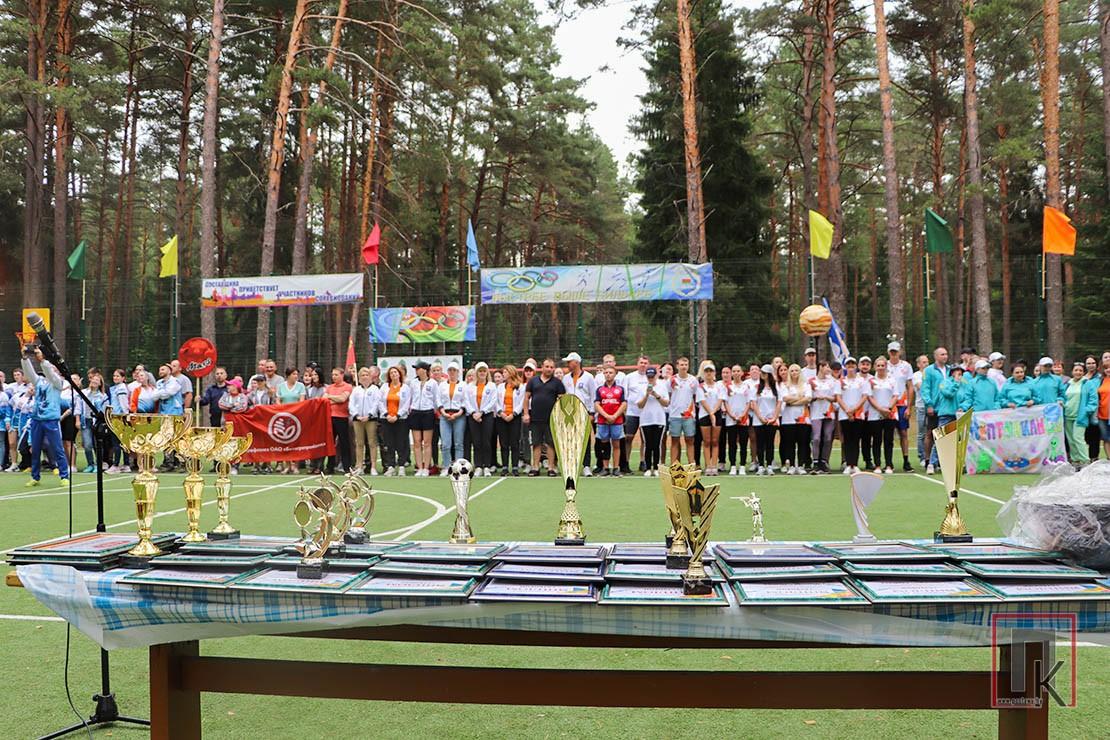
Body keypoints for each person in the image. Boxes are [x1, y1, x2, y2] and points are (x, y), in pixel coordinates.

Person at [20, 344, 69, 487]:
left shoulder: (58, 383)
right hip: (37, 419)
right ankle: (35, 477)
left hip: (51, 420)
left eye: (53, 369)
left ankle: (64, 476)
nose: (50, 370)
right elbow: (29, 373)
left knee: (58, 449)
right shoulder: (39, 382)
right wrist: (25, 358)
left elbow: (50, 373)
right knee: (35, 450)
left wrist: (43, 360)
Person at [523, 357, 564, 477]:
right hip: (535, 418)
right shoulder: (533, 381)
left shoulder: (557, 383)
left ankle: (551, 468)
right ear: (542, 367)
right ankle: (535, 467)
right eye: (547, 366)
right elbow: (526, 398)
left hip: (552, 419)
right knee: (536, 443)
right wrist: (526, 414)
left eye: (551, 367)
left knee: (551, 443)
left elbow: (562, 401)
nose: (549, 369)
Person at [562, 352, 597, 477]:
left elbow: (593, 396)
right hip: (570, 413)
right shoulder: (566, 378)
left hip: (585, 412)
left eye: (569, 362)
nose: (567, 364)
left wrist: (591, 413)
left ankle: (586, 465)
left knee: (585, 440)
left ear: (576, 362)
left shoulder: (588, 377)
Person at [886, 341, 915, 472]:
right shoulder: (884, 365)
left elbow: (910, 387)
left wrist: (909, 407)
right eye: (892, 351)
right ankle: (889, 462)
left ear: (900, 352)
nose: (894, 354)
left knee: (903, 433)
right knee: (888, 434)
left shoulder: (906, 366)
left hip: (902, 404)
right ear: (888, 352)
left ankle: (906, 461)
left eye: (896, 352)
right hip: (888, 405)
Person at [594, 365, 628, 476]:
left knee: (616, 444)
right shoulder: (600, 389)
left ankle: (616, 468)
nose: (608, 374)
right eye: (606, 372)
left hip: (617, 421)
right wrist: (606, 416)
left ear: (615, 374)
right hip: (603, 421)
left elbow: (624, 404)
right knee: (604, 444)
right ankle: (605, 468)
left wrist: (614, 416)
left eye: (610, 372)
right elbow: (597, 404)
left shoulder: (620, 389)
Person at [920, 347, 950, 475]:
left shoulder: (950, 370)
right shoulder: (929, 370)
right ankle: (928, 460)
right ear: (936, 356)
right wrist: (929, 404)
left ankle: (941, 461)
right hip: (935, 407)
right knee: (930, 434)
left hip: (947, 407)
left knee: (944, 435)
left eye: (946, 354)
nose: (945, 356)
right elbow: (925, 388)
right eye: (942, 354)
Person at [778, 363, 811, 474]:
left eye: (796, 370)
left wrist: (793, 402)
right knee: (789, 442)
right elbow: (785, 398)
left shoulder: (806, 385)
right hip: (788, 418)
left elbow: (808, 398)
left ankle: (801, 466)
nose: (794, 372)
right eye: (792, 371)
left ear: (800, 372)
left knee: (802, 442)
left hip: (803, 418)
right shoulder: (785, 385)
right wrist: (800, 398)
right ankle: (792, 465)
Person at [867, 357, 898, 474]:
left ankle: (889, 465)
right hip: (875, 414)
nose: (880, 368)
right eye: (878, 365)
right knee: (876, 440)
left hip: (889, 414)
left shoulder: (892, 380)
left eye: (882, 365)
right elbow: (869, 397)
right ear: (875, 367)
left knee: (888, 440)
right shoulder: (871, 381)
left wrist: (888, 409)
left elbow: (895, 395)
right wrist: (880, 409)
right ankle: (877, 465)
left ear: (886, 367)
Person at [466, 362, 498, 476]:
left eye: (484, 371)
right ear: (476, 373)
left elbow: (493, 401)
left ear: (487, 372)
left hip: (487, 415)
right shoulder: (470, 386)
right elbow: (467, 401)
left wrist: (482, 412)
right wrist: (474, 413)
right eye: (480, 371)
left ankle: (487, 466)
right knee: (477, 442)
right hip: (473, 416)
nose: (482, 373)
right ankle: (478, 466)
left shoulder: (491, 386)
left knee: (486, 441)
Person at [380, 366, 412, 476]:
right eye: (391, 373)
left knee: (401, 443)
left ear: (399, 374)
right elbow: (380, 402)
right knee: (389, 443)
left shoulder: (405, 388)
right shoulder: (384, 387)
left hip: (401, 419)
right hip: (386, 419)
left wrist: (397, 415)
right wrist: (386, 414)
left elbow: (407, 403)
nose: (394, 374)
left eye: (395, 372)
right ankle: (391, 466)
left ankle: (401, 466)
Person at [636, 366, 668, 477]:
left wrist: (655, 395)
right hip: (646, 420)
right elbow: (640, 405)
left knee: (657, 444)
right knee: (648, 444)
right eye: (649, 377)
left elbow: (666, 403)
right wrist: (646, 394)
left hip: (659, 419)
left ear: (656, 376)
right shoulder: (641, 387)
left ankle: (657, 467)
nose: (650, 379)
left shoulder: (662, 386)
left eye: (652, 377)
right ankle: (648, 468)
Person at [407, 361, 438, 477]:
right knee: (417, 442)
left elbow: (436, 399)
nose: (416, 370)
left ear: (425, 370)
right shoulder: (413, 383)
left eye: (418, 368)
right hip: (415, 412)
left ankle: (426, 467)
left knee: (427, 442)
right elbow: (410, 398)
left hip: (428, 412)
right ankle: (419, 467)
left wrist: (433, 410)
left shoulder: (433, 383)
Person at [749, 364, 780, 475]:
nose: (762, 374)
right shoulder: (756, 387)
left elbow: (779, 403)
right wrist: (760, 417)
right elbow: (754, 403)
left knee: (770, 443)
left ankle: (770, 465)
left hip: (772, 420)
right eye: (762, 372)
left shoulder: (776, 387)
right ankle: (761, 465)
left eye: (764, 373)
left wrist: (774, 417)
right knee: (760, 443)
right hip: (759, 420)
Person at [349, 367, 381, 476]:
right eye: (362, 375)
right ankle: (359, 466)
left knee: (372, 443)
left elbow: (376, 403)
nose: (365, 377)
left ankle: (373, 467)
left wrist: (369, 415)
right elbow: (351, 404)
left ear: (370, 377)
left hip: (371, 419)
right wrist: (356, 415)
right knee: (359, 443)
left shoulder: (375, 389)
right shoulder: (356, 390)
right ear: (359, 377)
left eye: (367, 375)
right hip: (357, 419)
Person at [495, 365, 525, 476]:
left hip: (514, 418)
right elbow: (496, 401)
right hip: (502, 417)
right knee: (504, 443)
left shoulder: (520, 387)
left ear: (511, 373)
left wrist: (513, 414)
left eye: (505, 372)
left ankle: (515, 467)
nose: (503, 374)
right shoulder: (500, 387)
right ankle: (505, 467)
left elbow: (521, 402)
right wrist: (501, 413)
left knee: (514, 443)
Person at [668, 357, 699, 464]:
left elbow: (695, 396)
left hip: (688, 415)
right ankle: (674, 466)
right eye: (681, 365)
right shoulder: (672, 380)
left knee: (690, 440)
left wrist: (691, 410)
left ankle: (691, 465)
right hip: (675, 415)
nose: (684, 367)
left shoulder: (693, 380)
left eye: (686, 365)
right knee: (675, 441)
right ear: (677, 366)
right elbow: (668, 395)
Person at [437, 362, 467, 473]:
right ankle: (446, 467)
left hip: (459, 416)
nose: (452, 372)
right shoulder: (442, 385)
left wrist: (459, 413)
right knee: (445, 444)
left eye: (454, 370)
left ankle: (458, 468)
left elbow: (465, 400)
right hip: (444, 416)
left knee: (458, 444)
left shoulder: (463, 385)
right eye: (450, 370)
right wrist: (443, 412)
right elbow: (438, 399)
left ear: (458, 372)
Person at [623, 355, 650, 474]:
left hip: (647, 413)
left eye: (645, 363)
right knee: (628, 438)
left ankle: (643, 462)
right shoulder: (629, 377)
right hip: (632, 412)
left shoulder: (651, 377)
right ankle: (625, 462)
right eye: (641, 362)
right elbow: (625, 394)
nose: (643, 365)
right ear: (637, 364)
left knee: (645, 439)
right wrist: (624, 411)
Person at [809, 361, 838, 474]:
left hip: (829, 412)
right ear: (820, 367)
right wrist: (815, 397)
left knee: (828, 437)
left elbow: (835, 398)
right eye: (826, 367)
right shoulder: (811, 381)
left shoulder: (832, 382)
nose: (828, 369)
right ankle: (815, 462)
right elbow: (808, 397)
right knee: (816, 438)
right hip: (816, 412)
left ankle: (824, 461)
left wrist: (826, 397)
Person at [723, 364, 750, 476]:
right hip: (731, 419)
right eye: (734, 371)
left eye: (738, 371)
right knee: (732, 443)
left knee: (743, 443)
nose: (736, 373)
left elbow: (748, 402)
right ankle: (733, 466)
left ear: (742, 373)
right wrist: (732, 415)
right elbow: (725, 402)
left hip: (744, 419)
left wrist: (743, 415)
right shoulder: (728, 386)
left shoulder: (746, 386)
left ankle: (742, 466)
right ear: (731, 373)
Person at [696, 361, 722, 475]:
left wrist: (714, 412)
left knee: (715, 441)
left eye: (711, 371)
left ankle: (714, 465)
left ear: (714, 373)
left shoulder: (719, 386)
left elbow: (720, 400)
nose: (709, 373)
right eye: (706, 371)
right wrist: (710, 414)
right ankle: (708, 466)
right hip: (704, 415)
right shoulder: (700, 387)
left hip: (717, 414)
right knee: (706, 441)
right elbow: (702, 401)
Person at [1082, 356, 1102, 462]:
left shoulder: (1100, 378)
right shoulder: (1082, 378)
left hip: (1096, 411)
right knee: (1085, 436)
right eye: (1088, 363)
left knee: (1095, 436)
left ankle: (1094, 459)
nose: (1091, 365)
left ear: (1097, 364)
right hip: (1083, 410)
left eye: (1093, 363)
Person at [1096, 362, 1110, 461]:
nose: (1108, 370)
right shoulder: (1101, 381)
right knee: (1106, 438)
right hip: (1102, 414)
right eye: (1106, 368)